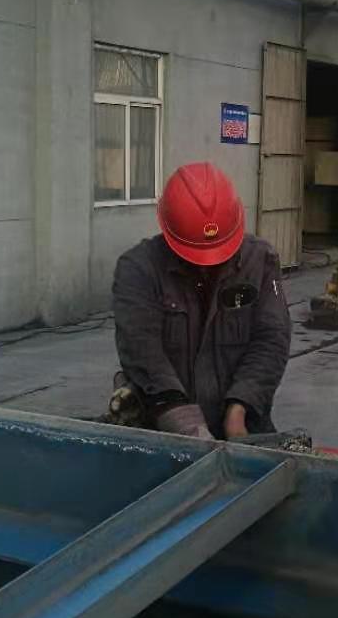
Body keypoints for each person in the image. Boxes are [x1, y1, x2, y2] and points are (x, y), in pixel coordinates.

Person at [112, 162, 290, 441]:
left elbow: (271, 339)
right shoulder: (138, 269)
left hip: (243, 427)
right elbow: (142, 351)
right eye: (196, 254)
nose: (207, 265)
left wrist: (239, 407)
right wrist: (187, 426)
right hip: (164, 433)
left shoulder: (261, 262)